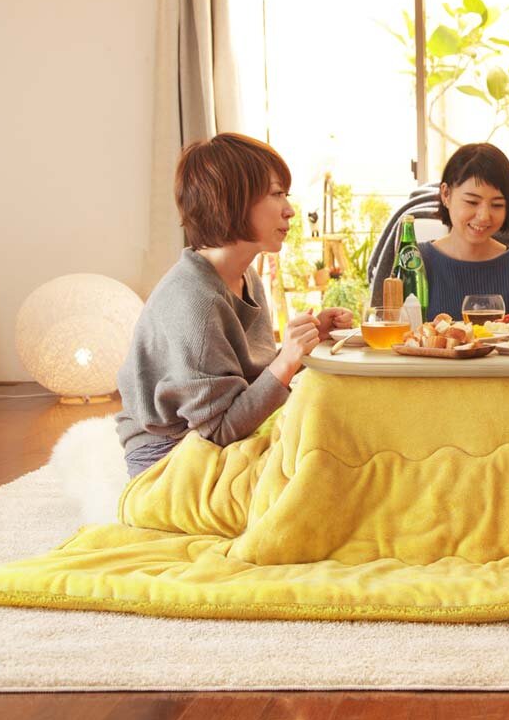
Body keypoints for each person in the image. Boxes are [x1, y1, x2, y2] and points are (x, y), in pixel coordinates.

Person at [116, 133, 352, 477]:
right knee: (318, 474)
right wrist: (287, 359)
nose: (290, 209)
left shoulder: (245, 277)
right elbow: (220, 430)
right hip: (170, 457)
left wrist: (305, 343)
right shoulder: (194, 302)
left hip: (214, 440)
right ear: (231, 201)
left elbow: (244, 385)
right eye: (276, 194)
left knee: (334, 438)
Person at [420, 143, 509, 319]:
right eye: (472, 202)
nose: (484, 216)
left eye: (497, 205)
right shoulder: (415, 262)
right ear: (446, 195)